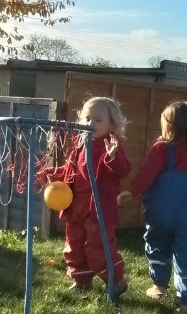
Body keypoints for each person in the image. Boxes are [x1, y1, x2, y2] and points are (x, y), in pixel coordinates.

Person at [119, 101, 187, 314]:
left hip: (159, 215)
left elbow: (147, 173)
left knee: (157, 245)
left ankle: (159, 286)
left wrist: (133, 191)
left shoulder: (162, 148)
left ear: (170, 126)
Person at [44, 96, 131, 297]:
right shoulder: (81, 143)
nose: (90, 124)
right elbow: (70, 170)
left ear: (112, 124)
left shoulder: (112, 145)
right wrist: (52, 173)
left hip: (98, 208)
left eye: (98, 120)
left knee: (98, 246)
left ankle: (115, 280)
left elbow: (122, 171)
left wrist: (112, 157)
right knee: (74, 244)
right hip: (76, 205)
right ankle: (81, 279)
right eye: (87, 118)